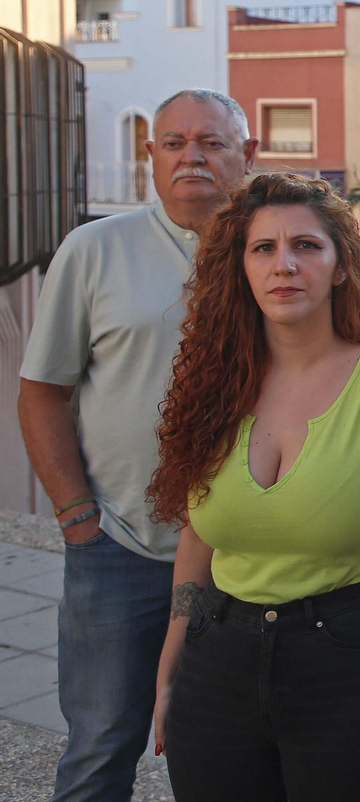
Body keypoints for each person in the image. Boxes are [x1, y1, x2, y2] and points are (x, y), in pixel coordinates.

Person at [146, 173, 360, 800]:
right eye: (263, 248)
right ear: (242, 268)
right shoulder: (214, 386)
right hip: (216, 661)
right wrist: (171, 670)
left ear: (340, 266)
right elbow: (197, 541)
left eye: (306, 246)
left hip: (350, 665)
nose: (284, 265)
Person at [16, 89, 256, 802]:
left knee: (225, 756)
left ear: (248, 155)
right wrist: (77, 519)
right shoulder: (94, 250)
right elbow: (42, 392)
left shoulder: (274, 251)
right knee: (100, 749)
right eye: (174, 142)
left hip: (244, 557)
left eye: (212, 142)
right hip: (119, 548)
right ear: (150, 155)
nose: (192, 157)